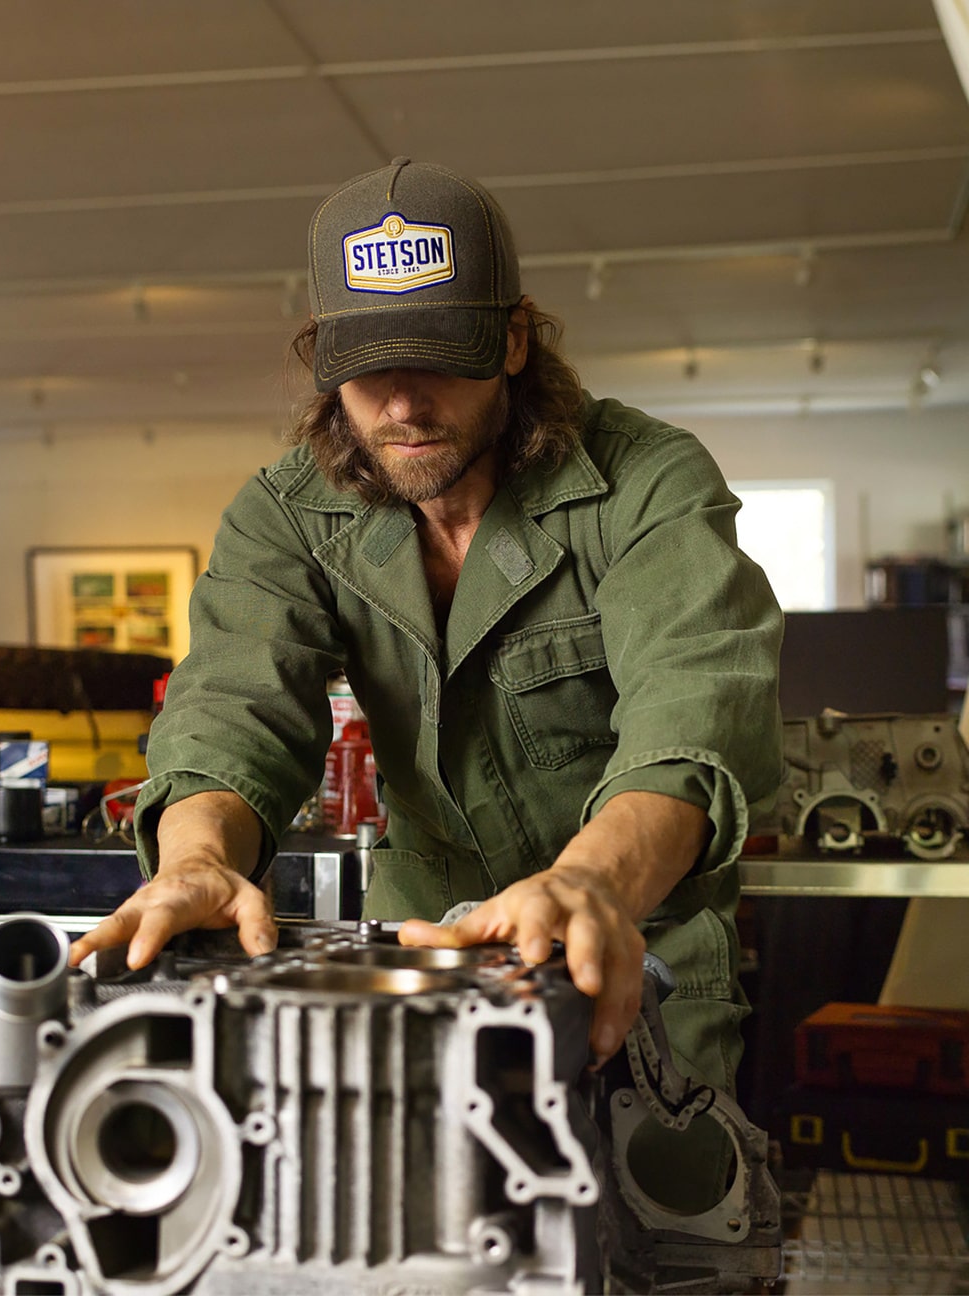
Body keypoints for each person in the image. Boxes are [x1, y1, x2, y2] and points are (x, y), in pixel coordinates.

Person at [70, 158, 782, 1201]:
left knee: (650, 1233)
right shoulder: (285, 514)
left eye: (440, 360)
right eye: (367, 371)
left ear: (513, 339)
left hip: (636, 942)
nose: (402, 404)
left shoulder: (645, 482)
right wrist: (198, 857)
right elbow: (233, 708)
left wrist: (588, 884)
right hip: (419, 954)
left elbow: (695, 705)